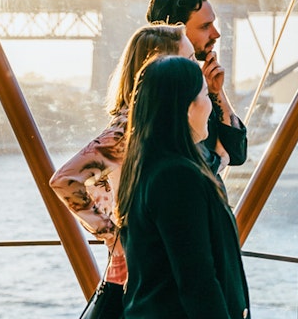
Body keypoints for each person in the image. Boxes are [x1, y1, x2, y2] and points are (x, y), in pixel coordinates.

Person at [106, 55, 261, 319]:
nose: (210, 104)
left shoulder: (145, 169)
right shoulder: (180, 177)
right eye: (205, 95)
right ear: (186, 107)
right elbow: (196, 280)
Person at [50, 23, 194, 283]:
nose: (197, 68)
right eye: (190, 59)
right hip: (141, 270)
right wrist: (114, 237)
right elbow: (64, 180)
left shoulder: (150, 121)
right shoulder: (130, 127)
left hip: (151, 264)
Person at [147, 0, 247, 176]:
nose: (216, 34)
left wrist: (216, 91)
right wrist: (220, 158)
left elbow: (237, 153)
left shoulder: (197, 89)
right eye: (205, 26)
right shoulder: (157, 97)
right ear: (175, 32)